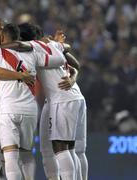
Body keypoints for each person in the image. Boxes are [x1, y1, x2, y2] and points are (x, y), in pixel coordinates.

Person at [0, 23, 66, 180]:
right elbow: (60, 59)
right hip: (29, 110)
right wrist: (54, 45)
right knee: (26, 154)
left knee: (10, 155)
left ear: (4, 37)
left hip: (8, 109)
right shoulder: (33, 53)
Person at [19, 23, 87, 180]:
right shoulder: (53, 45)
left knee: (61, 148)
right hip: (72, 96)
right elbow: (75, 65)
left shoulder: (32, 47)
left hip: (61, 99)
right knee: (69, 149)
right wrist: (72, 76)